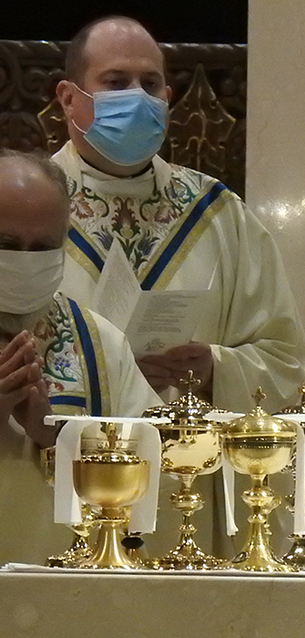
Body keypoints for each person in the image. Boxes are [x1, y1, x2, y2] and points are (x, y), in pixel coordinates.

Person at [51, 16, 305, 412]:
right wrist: (107, 378)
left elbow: (286, 362)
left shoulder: (219, 214)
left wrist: (214, 369)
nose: (137, 97)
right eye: (116, 83)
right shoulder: (24, 208)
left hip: (192, 463)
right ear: (69, 98)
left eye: (150, 85)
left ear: (167, 97)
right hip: (60, 464)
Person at [0, 149, 161, 564]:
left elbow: (158, 477)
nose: (25, 260)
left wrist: (56, 436)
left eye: (44, 247)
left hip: (68, 597)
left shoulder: (99, 342)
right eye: (7, 244)